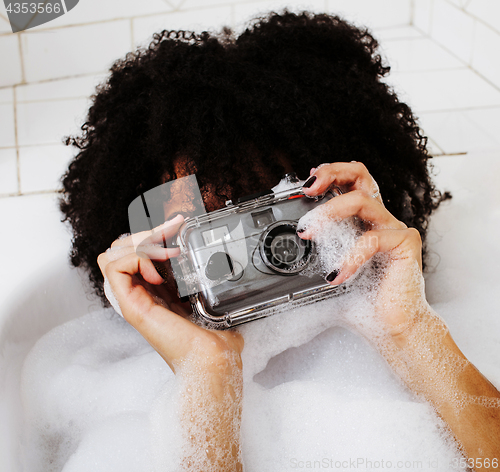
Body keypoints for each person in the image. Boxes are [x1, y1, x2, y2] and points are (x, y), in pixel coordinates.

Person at [60, 11, 500, 471]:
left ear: (331, 205)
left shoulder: (379, 321)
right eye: (203, 230)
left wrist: (411, 330)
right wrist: (206, 371)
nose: (251, 256)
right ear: (145, 231)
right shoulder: (109, 388)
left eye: (274, 224)